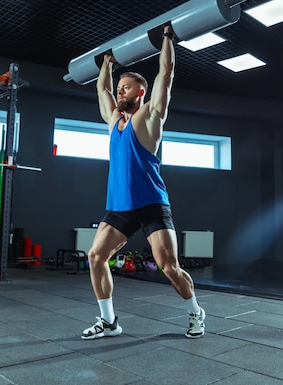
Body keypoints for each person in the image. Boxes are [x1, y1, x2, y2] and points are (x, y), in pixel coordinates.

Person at [81, 25, 205, 340]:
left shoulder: (150, 117)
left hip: (152, 204)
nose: (119, 91)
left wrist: (167, 37)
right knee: (95, 257)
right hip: (120, 206)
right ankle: (109, 322)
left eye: (126, 87)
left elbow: (167, 73)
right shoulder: (113, 121)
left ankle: (195, 313)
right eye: (119, 87)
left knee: (168, 267)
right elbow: (102, 90)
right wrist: (107, 64)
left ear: (140, 93)